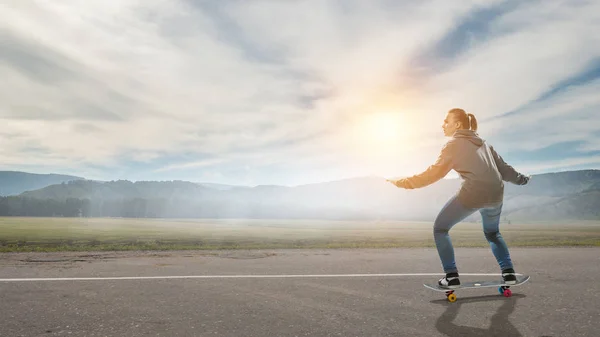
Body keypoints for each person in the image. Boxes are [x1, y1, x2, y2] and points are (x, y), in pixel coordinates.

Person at [387, 108, 530, 289]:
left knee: (440, 229)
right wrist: (523, 180)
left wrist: (403, 183)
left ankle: (451, 276)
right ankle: (509, 274)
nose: (443, 125)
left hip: (473, 193)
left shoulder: (452, 145)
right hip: (496, 193)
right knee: (493, 233)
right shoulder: (484, 144)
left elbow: (433, 174)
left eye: (446, 121)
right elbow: (506, 170)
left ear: (457, 124)